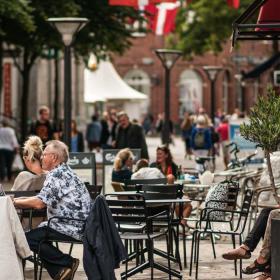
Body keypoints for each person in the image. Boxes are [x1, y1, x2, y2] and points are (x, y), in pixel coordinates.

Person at [13, 140, 92, 280]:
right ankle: (61, 271)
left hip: (69, 225)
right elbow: (42, 197)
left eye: (44, 154)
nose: (41, 157)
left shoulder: (57, 175)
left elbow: (39, 204)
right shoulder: (63, 171)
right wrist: (15, 201)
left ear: (54, 157)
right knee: (37, 238)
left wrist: (13, 202)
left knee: (26, 239)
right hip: (77, 224)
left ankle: (67, 263)